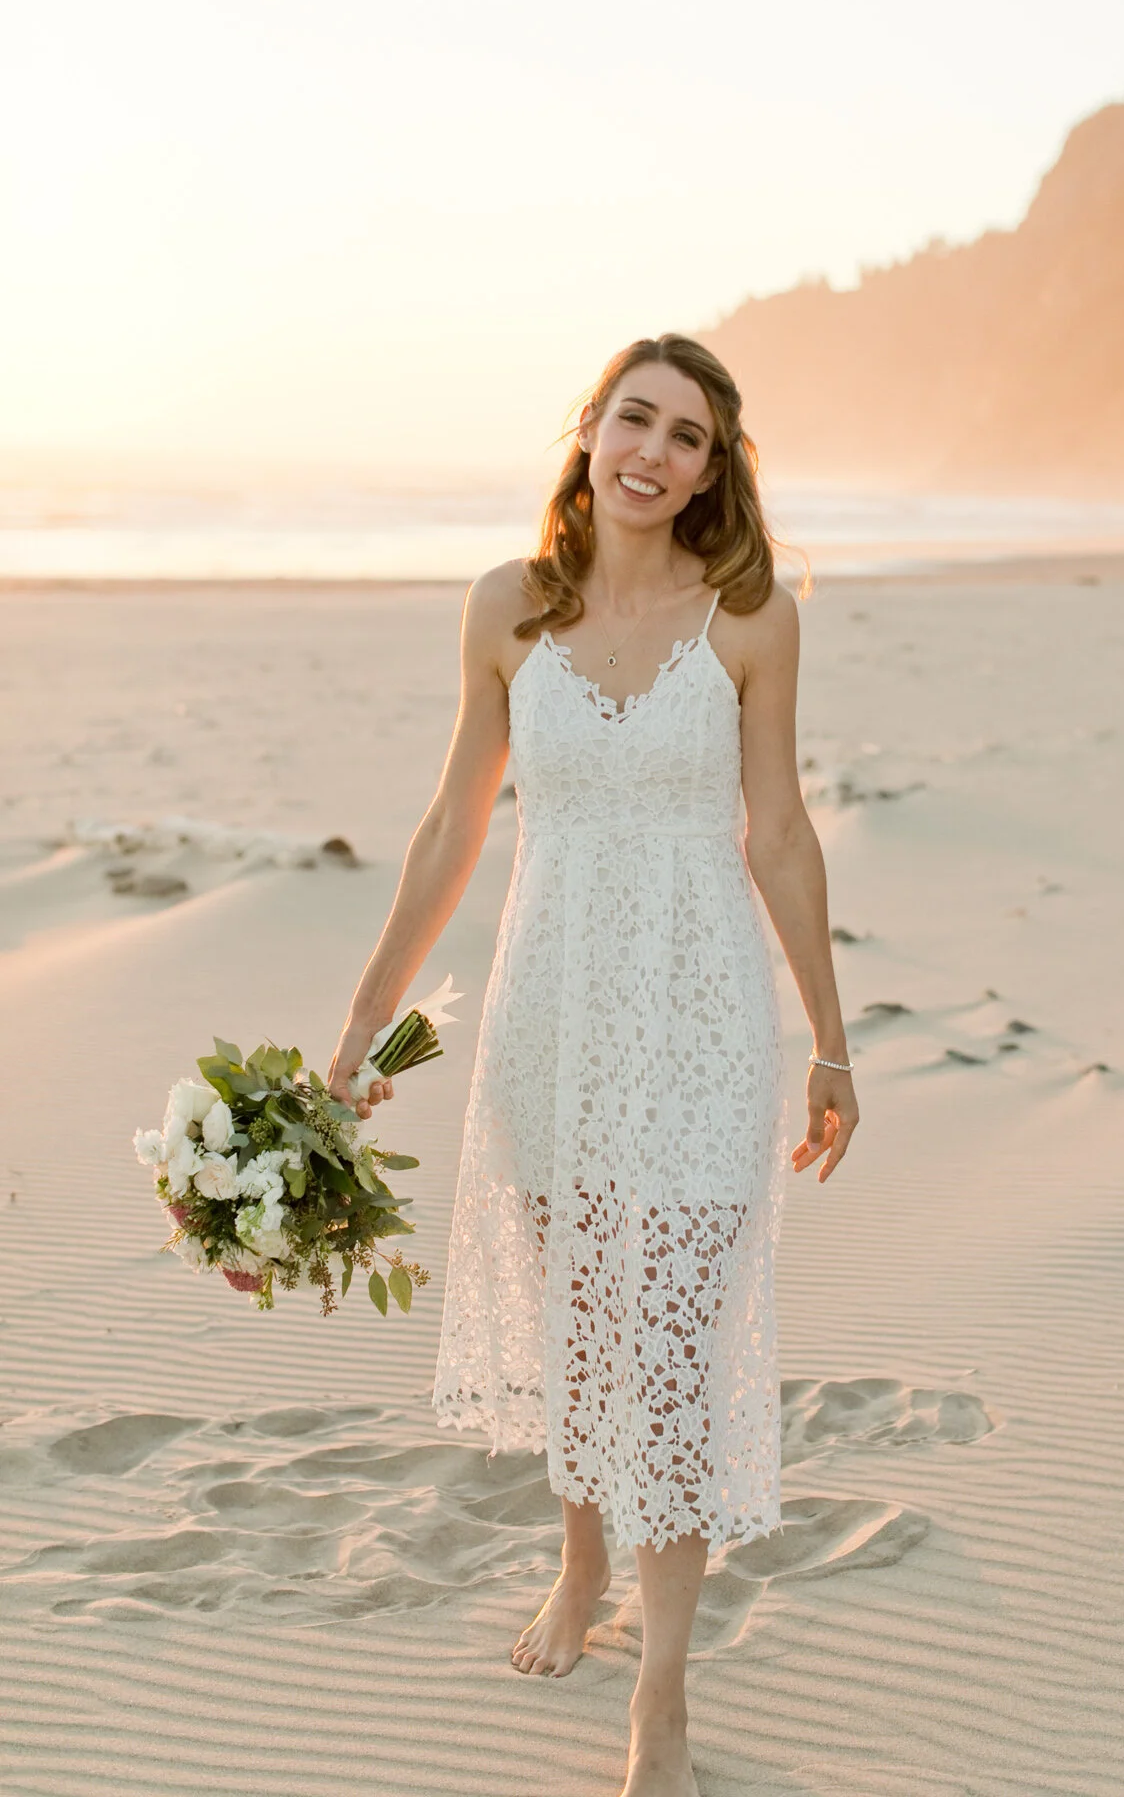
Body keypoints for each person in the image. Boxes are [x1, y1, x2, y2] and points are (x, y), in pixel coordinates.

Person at [329, 333, 859, 1797]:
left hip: (699, 1016)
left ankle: (663, 1700)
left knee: (671, 1353)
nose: (654, 453)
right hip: (551, 1010)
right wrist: (364, 1019)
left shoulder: (749, 616)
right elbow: (452, 827)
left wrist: (831, 1039)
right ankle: (577, 1564)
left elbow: (783, 834)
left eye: (689, 436)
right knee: (582, 1322)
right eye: (636, 420)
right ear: (590, 432)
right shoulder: (507, 609)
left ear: (713, 466)